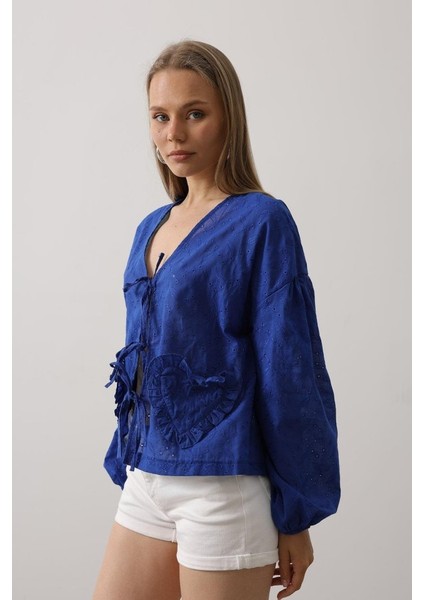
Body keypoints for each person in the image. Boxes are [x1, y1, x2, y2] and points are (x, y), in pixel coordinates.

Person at [92, 40, 340, 600]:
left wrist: (296, 513)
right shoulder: (152, 225)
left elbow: (289, 367)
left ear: (229, 118)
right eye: (160, 117)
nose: (174, 134)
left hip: (223, 487)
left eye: (195, 114)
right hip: (148, 477)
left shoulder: (262, 221)